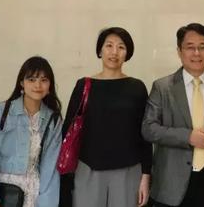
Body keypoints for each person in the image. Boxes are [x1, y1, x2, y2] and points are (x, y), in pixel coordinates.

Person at [142, 23, 204, 207]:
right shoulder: (162, 87)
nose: (197, 53)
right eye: (190, 47)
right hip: (171, 183)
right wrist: (187, 137)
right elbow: (148, 128)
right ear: (179, 51)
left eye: (203, 47)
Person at [59, 27, 151, 207]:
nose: (114, 52)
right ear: (100, 51)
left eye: (121, 47)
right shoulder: (84, 85)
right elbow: (68, 130)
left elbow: (145, 135)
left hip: (128, 170)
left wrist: (146, 175)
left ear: (127, 53)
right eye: (109, 45)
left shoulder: (137, 87)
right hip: (88, 169)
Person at [0, 56, 63, 207]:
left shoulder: (53, 120)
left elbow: (50, 167)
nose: (38, 85)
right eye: (31, 79)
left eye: (44, 80)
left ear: (50, 85)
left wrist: (47, 203)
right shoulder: (2, 111)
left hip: (34, 193)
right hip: (3, 192)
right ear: (22, 83)